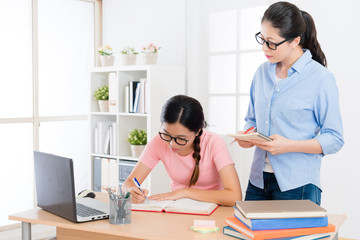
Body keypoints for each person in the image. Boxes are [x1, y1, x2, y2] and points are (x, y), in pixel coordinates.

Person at [235, 1, 344, 205]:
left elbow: (335, 138)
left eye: (272, 42)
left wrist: (289, 145)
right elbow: (251, 119)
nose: (265, 48)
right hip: (258, 181)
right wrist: (247, 136)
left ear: (295, 40)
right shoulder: (261, 73)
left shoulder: (320, 78)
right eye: (262, 39)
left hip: (297, 184)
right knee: (247, 236)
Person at [123, 95, 242, 206]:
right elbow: (128, 184)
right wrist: (131, 191)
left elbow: (234, 196)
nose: (171, 143)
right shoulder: (158, 141)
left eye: (181, 139)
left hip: (213, 207)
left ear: (198, 132)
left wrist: (186, 192)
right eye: (167, 135)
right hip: (177, 207)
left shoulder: (214, 142)